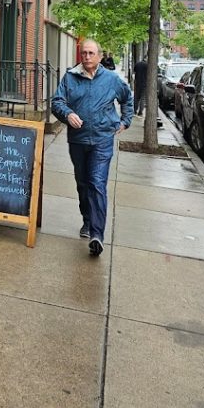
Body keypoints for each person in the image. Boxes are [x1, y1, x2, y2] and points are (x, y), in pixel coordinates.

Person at [51, 39, 133, 257]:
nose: (87, 57)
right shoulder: (70, 77)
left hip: (102, 139)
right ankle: (87, 220)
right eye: (84, 53)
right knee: (83, 183)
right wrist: (67, 114)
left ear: (99, 56)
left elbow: (127, 98)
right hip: (78, 141)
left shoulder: (111, 79)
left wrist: (126, 121)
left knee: (97, 183)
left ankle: (97, 234)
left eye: (91, 53)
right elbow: (57, 102)